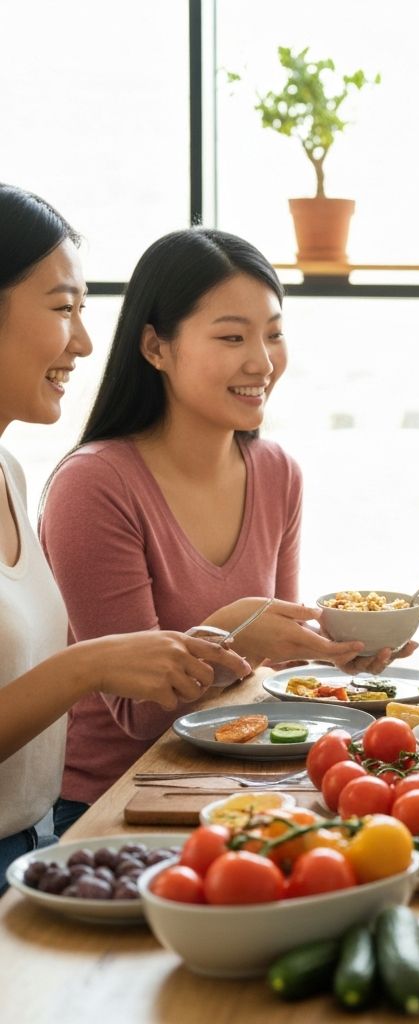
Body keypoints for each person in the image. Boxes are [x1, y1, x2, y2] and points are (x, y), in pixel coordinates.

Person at [39, 226, 416, 830]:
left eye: (273, 333)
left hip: (240, 782)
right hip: (114, 806)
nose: (262, 362)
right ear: (156, 347)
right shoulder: (94, 485)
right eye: (233, 336)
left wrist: (336, 657)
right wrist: (240, 632)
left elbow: (270, 678)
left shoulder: (276, 473)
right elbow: (138, 712)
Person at [0, 184, 249, 885]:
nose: (82, 342)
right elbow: (103, 692)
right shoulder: (91, 480)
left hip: (33, 840)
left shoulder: (11, 474)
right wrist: (90, 666)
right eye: (62, 309)